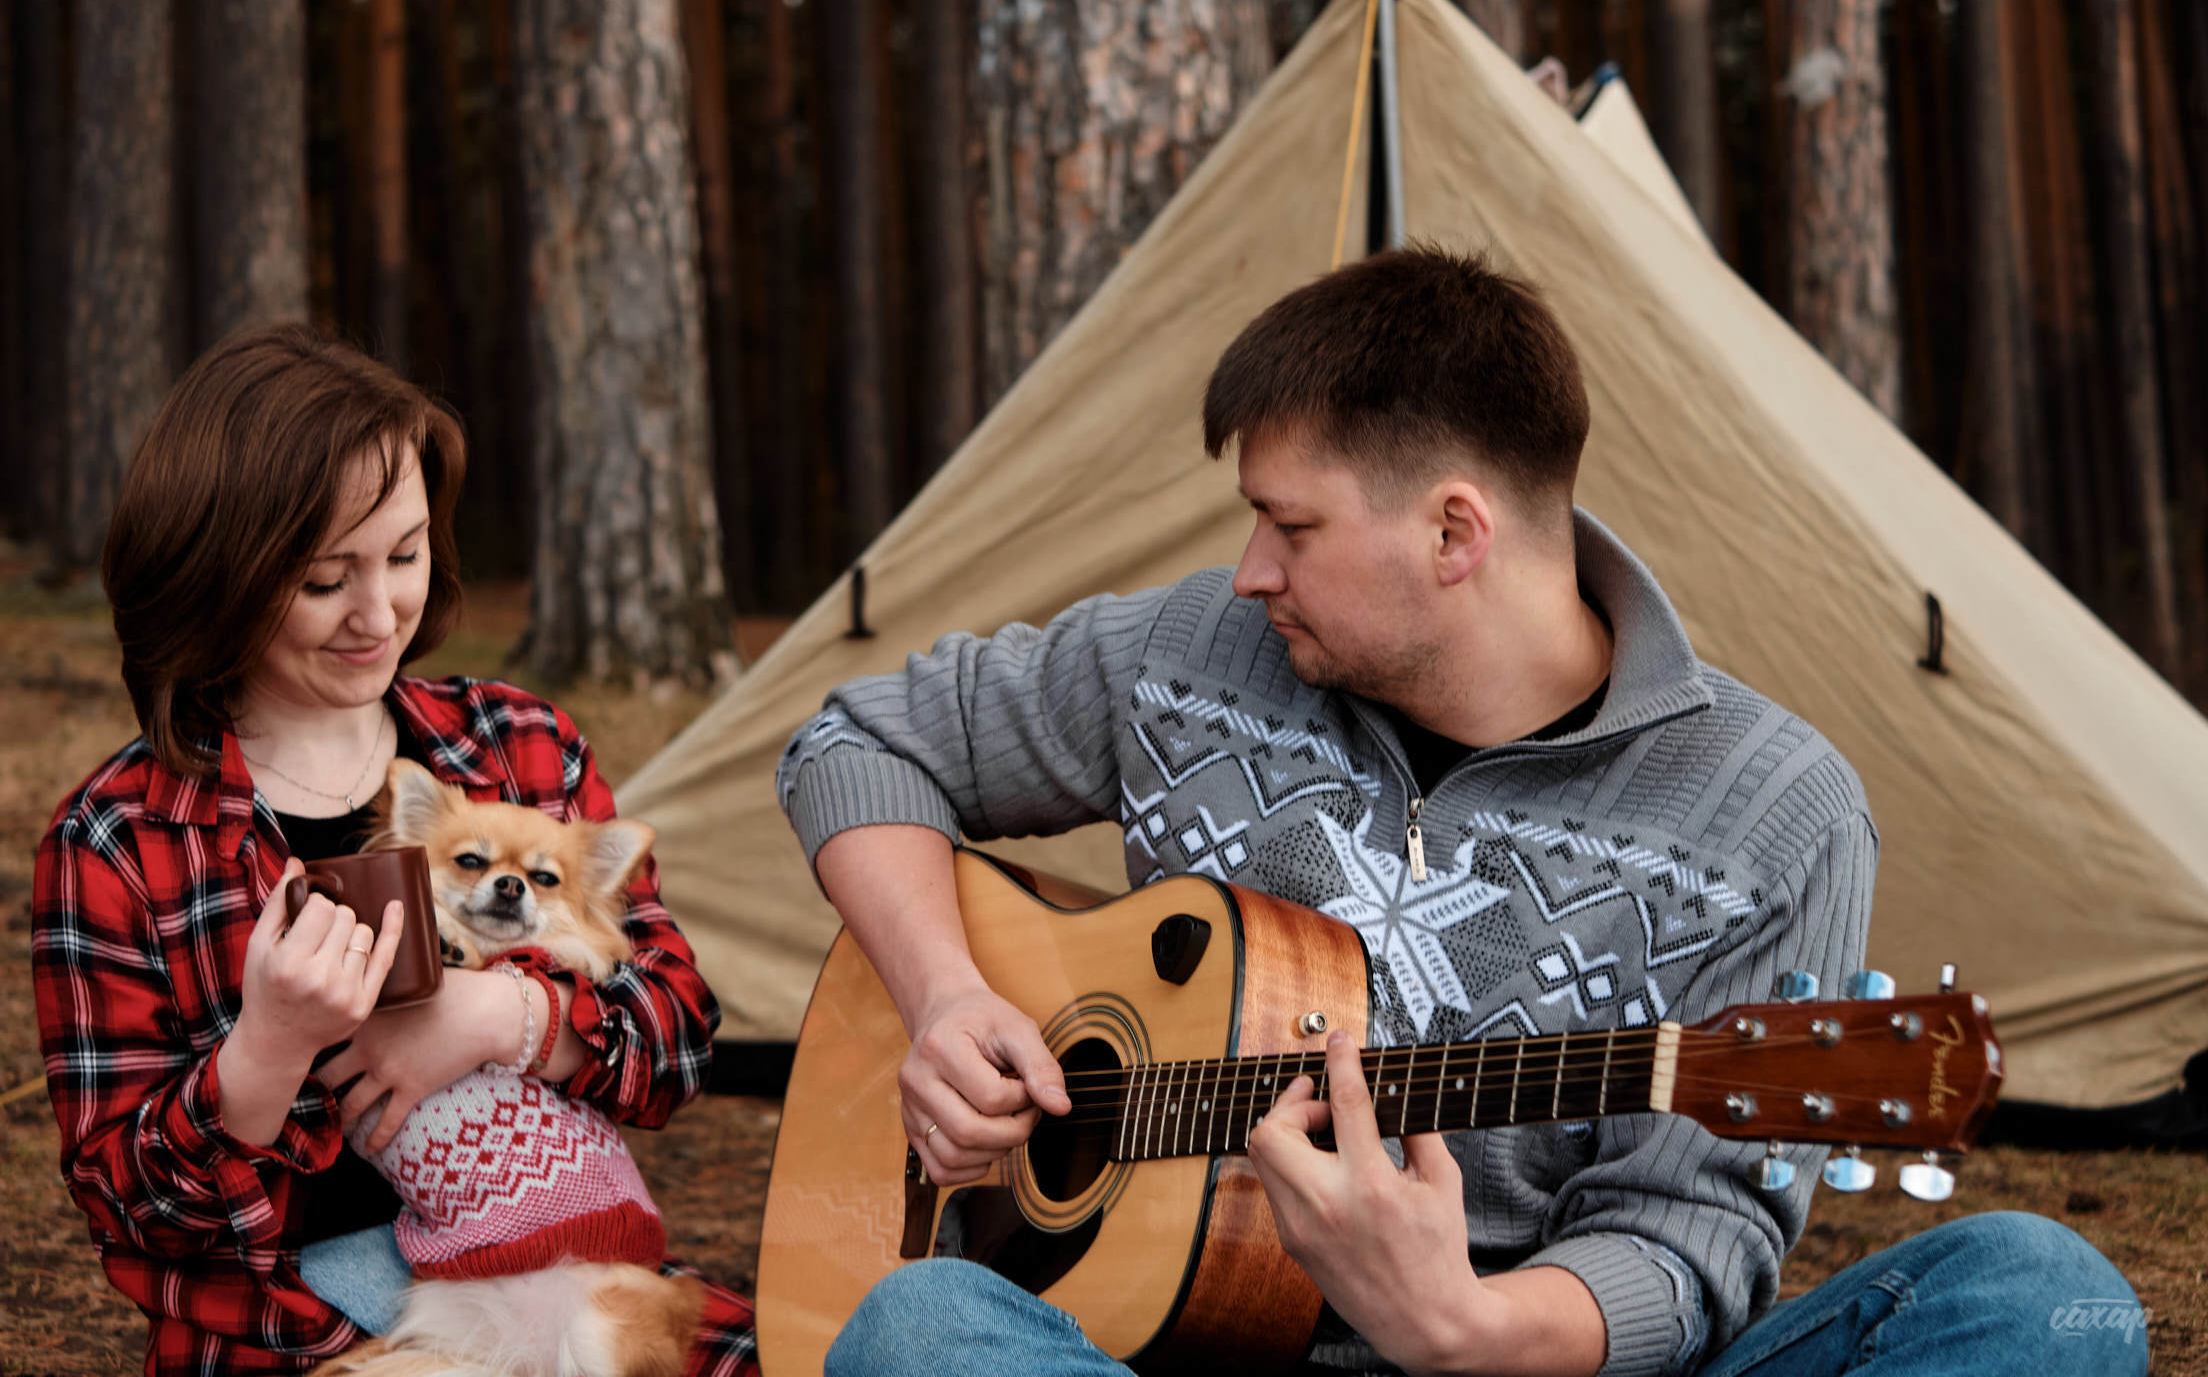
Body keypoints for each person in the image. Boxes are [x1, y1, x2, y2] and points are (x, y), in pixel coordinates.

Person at [775, 248, 2144, 1377]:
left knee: (2035, 1296)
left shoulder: (1777, 812)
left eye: (1289, 527)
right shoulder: (1189, 653)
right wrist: (946, 995)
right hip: (1163, 1351)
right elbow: (859, 745)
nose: (1247, 572)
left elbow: (1692, 1243)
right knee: (922, 1329)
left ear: (1454, 533)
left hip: (1526, 1363)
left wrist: (1464, 1326)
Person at [31, 325, 756, 1377]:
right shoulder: (120, 842)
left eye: (406, 555)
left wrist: (505, 1015)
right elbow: (136, 1212)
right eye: (328, 577)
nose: (379, 614)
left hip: (559, 1293)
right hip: (301, 1332)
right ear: (217, 576)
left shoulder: (520, 749)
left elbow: (678, 1041)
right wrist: (266, 1051)